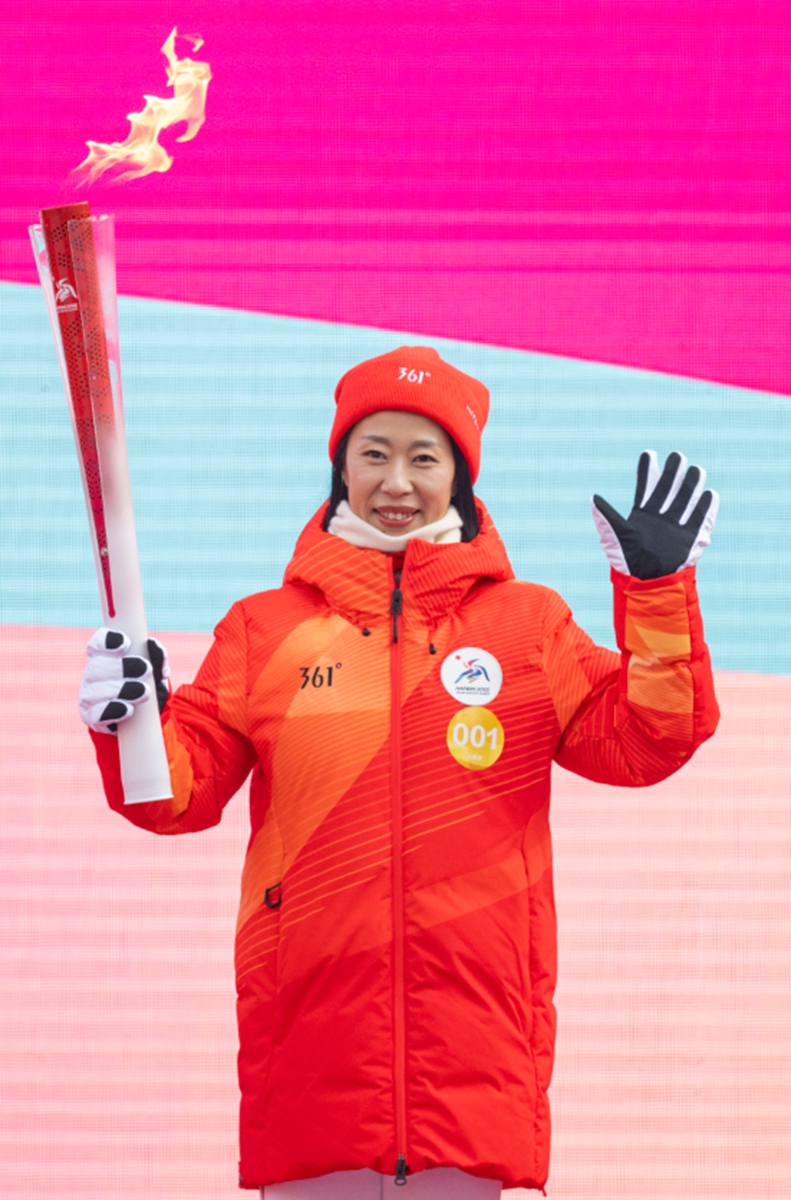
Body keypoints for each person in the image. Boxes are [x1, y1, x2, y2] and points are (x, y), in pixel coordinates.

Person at [79, 346, 720, 1198]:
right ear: (340, 466)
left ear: (457, 476)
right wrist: (129, 721)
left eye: (424, 458)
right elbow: (176, 796)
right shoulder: (263, 631)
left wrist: (656, 593)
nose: (395, 481)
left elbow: (646, 740)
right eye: (372, 453)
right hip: (311, 1047)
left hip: (474, 1049)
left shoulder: (527, 627)